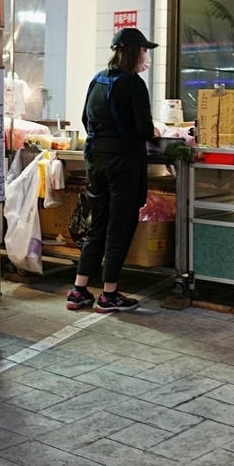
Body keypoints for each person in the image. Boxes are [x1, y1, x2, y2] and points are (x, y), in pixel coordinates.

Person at [67, 27, 159, 313]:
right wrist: (154, 131)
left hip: (96, 159)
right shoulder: (133, 84)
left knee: (98, 224)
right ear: (134, 52)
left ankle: (79, 290)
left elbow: (85, 118)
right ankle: (109, 293)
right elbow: (144, 129)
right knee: (120, 226)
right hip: (123, 162)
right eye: (144, 51)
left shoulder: (98, 80)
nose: (146, 57)